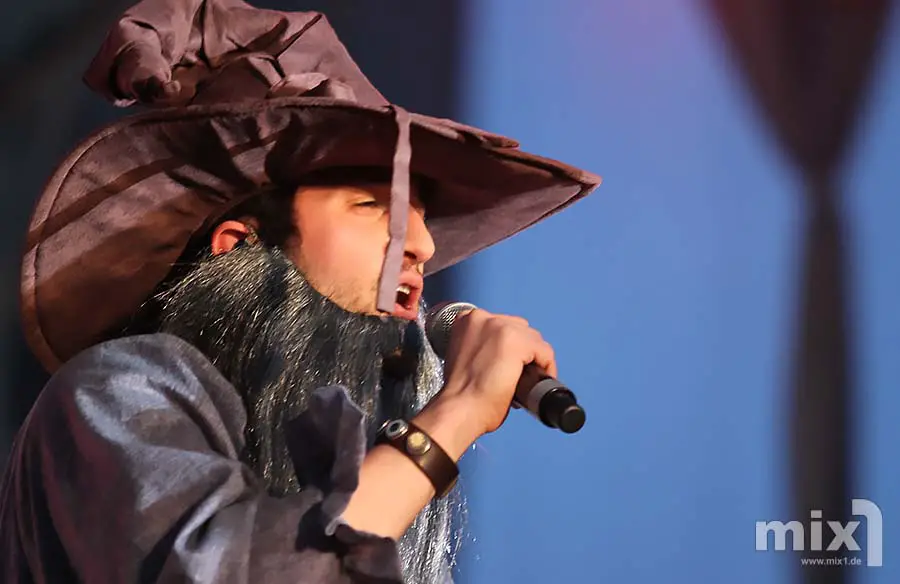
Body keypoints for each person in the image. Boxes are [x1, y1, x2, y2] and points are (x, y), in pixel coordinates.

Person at [0, 0, 600, 582]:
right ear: (241, 246)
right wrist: (459, 408)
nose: (421, 244)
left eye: (418, 217)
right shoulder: (117, 389)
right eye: (372, 207)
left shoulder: (342, 455)